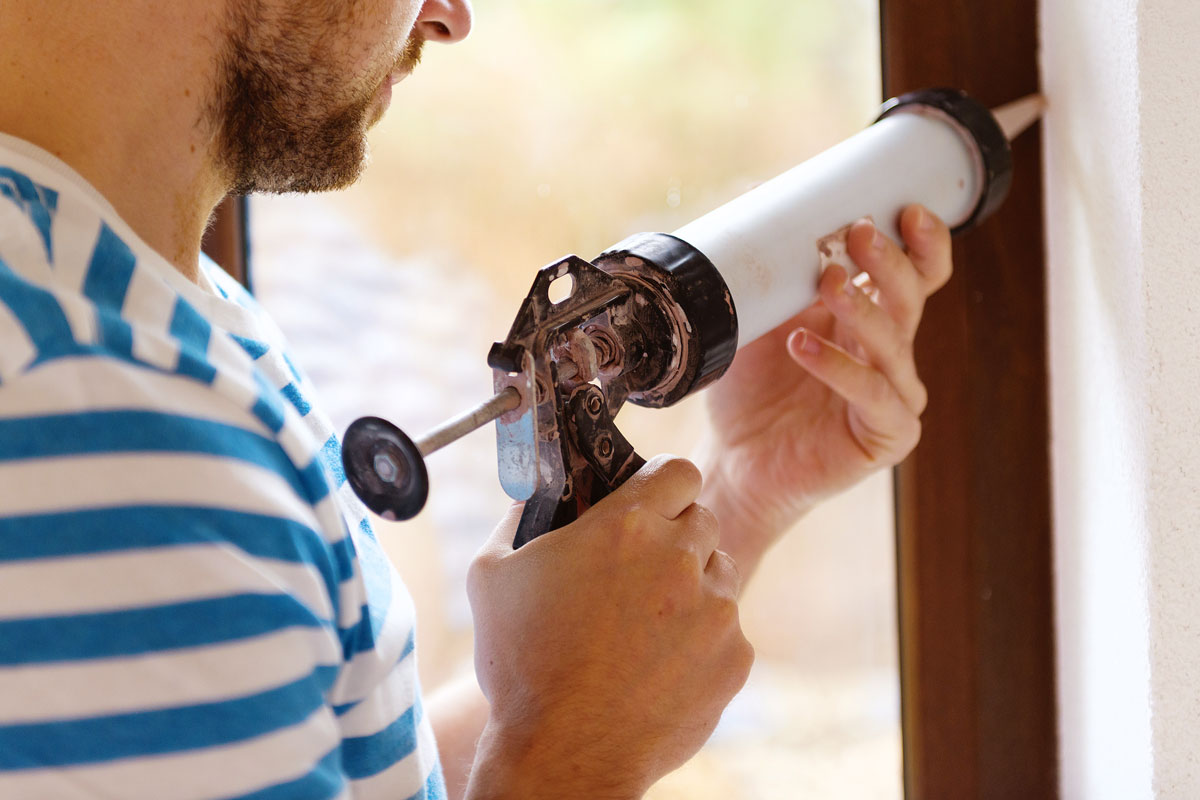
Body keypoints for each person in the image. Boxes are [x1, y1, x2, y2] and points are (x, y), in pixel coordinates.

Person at [0, 2, 953, 799]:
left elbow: (342, 769)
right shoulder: (88, 414)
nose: (453, 16)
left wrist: (740, 497)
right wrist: (573, 754)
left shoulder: (138, 294)